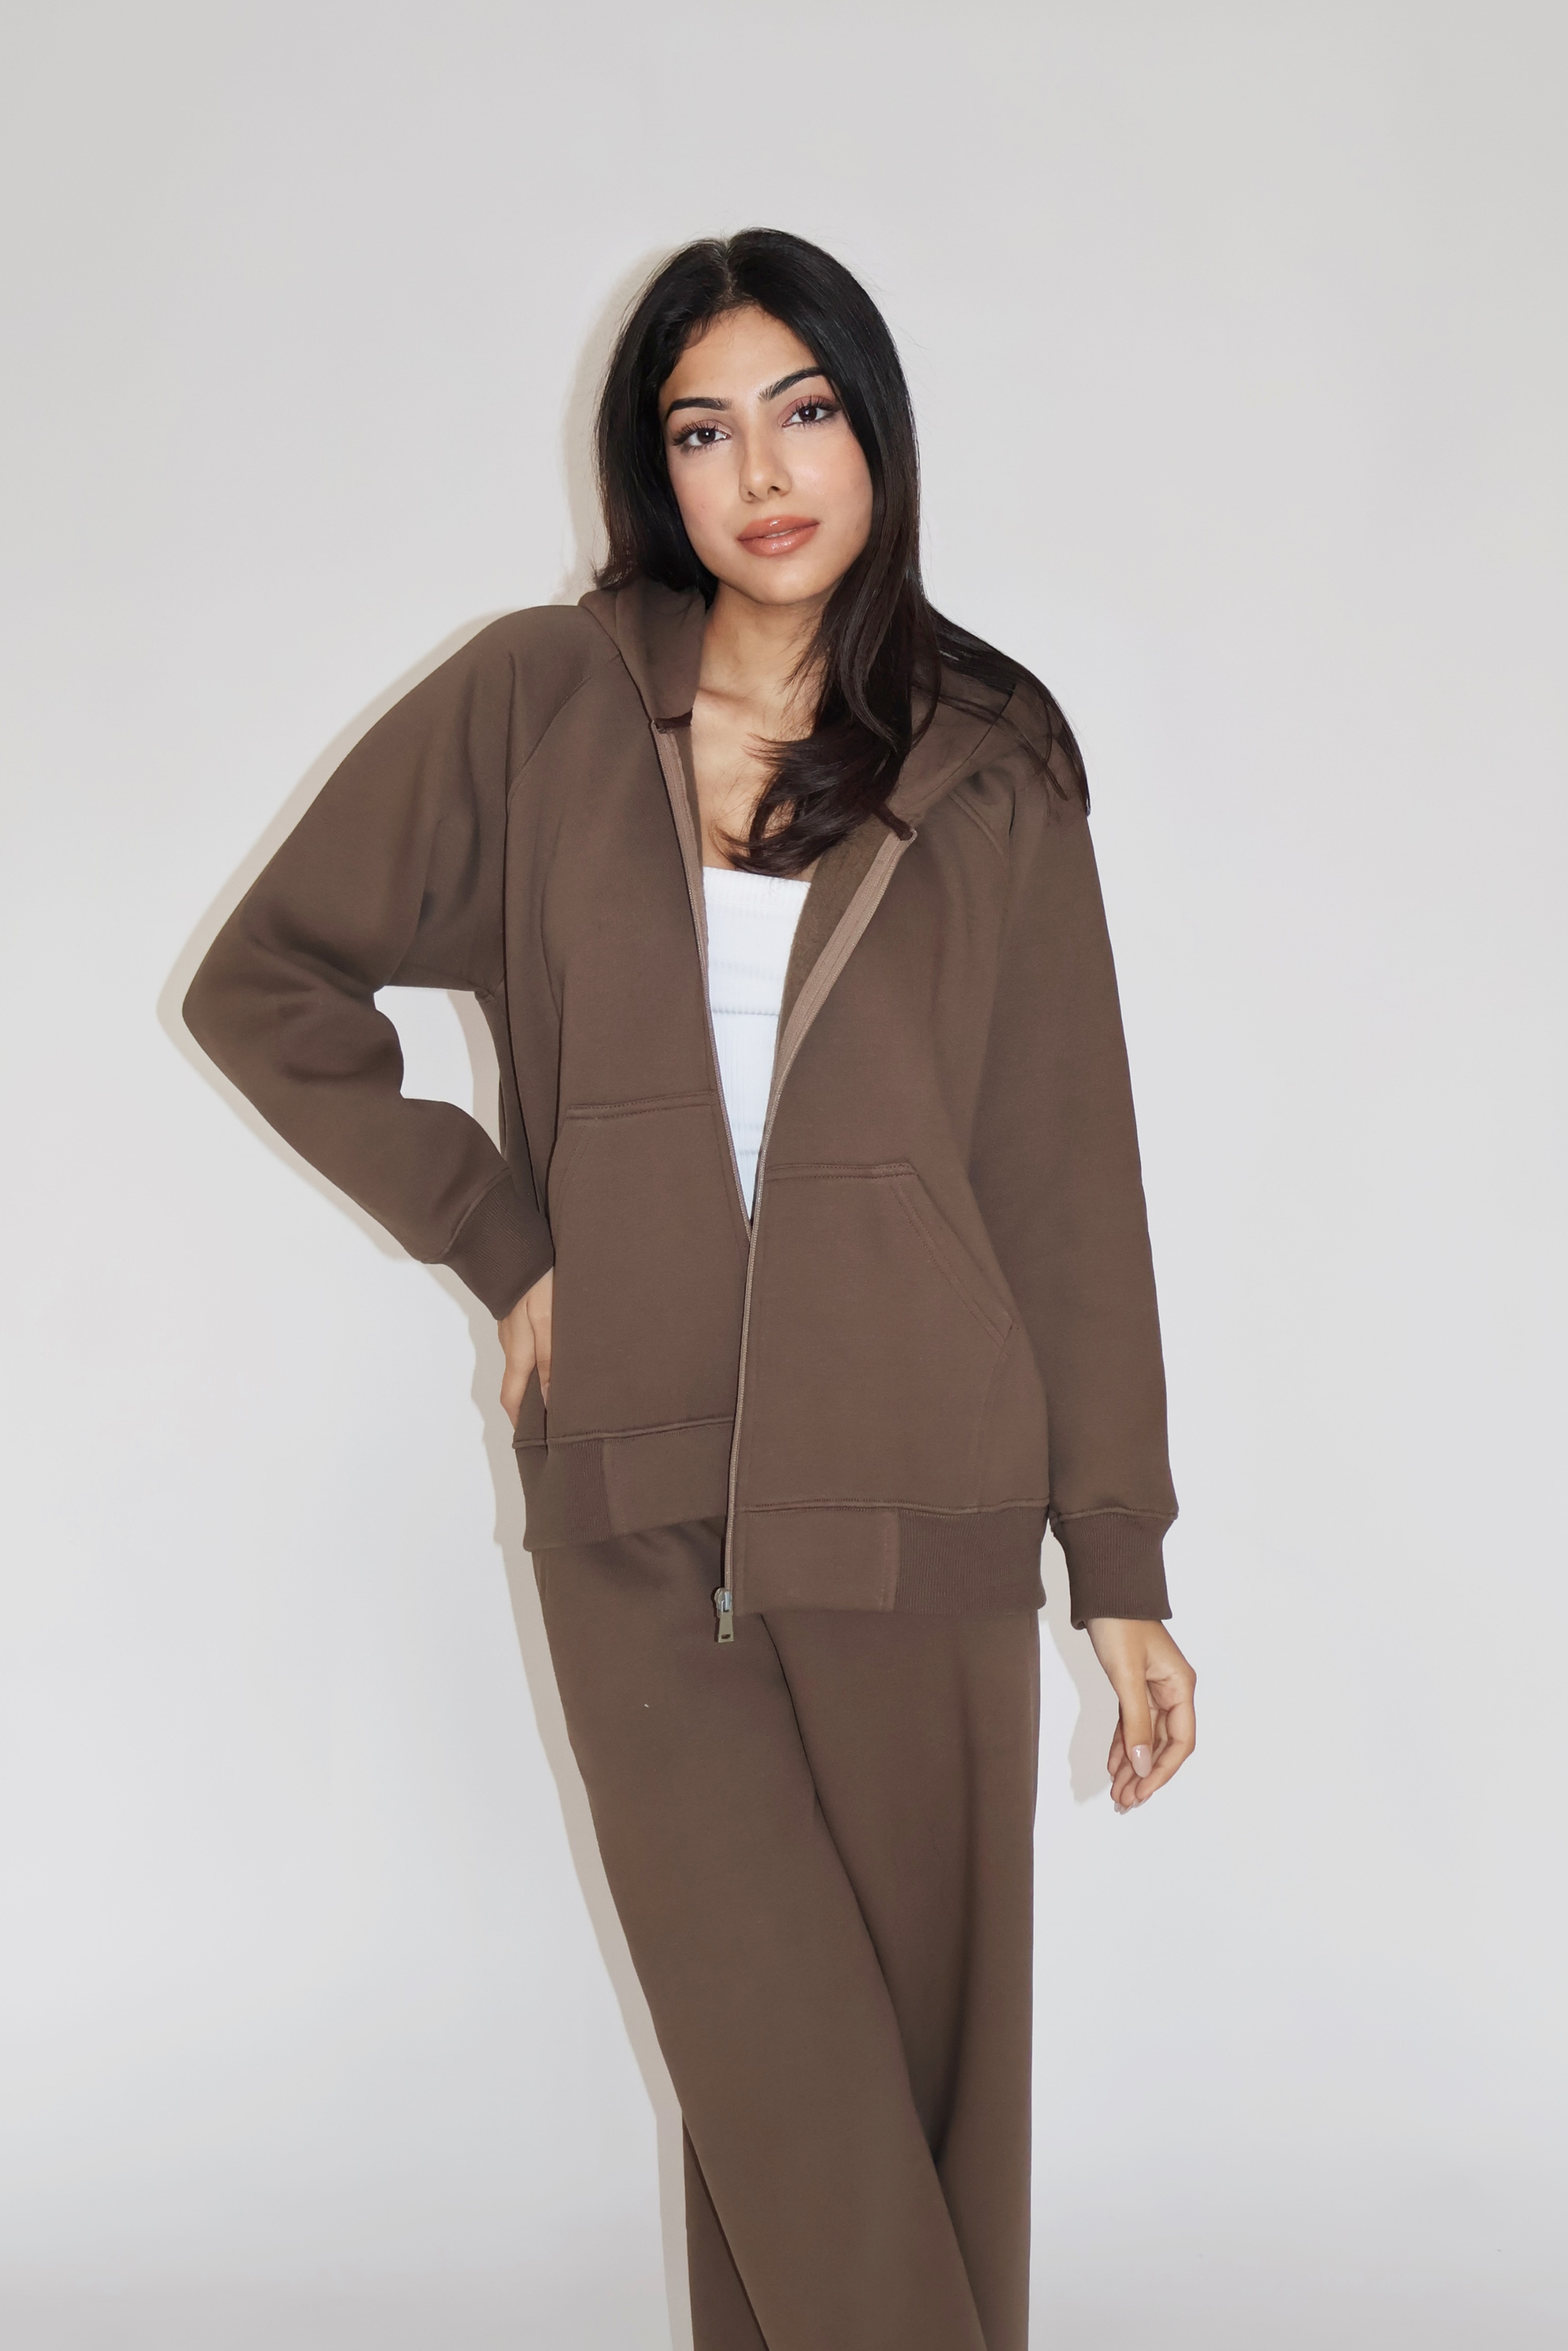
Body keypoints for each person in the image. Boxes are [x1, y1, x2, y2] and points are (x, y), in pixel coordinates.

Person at [185, 227, 1197, 2351]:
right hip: (638, 1494)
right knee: (783, 2090)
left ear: (876, 429)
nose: (763, 472)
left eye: (804, 411)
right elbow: (268, 981)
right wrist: (500, 1238)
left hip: (920, 1492)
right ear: (652, 469)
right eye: (704, 428)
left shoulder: (991, 755)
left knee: (917, 2114)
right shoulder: (541, 705)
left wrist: (1118, 1560)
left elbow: (1064, 1175)